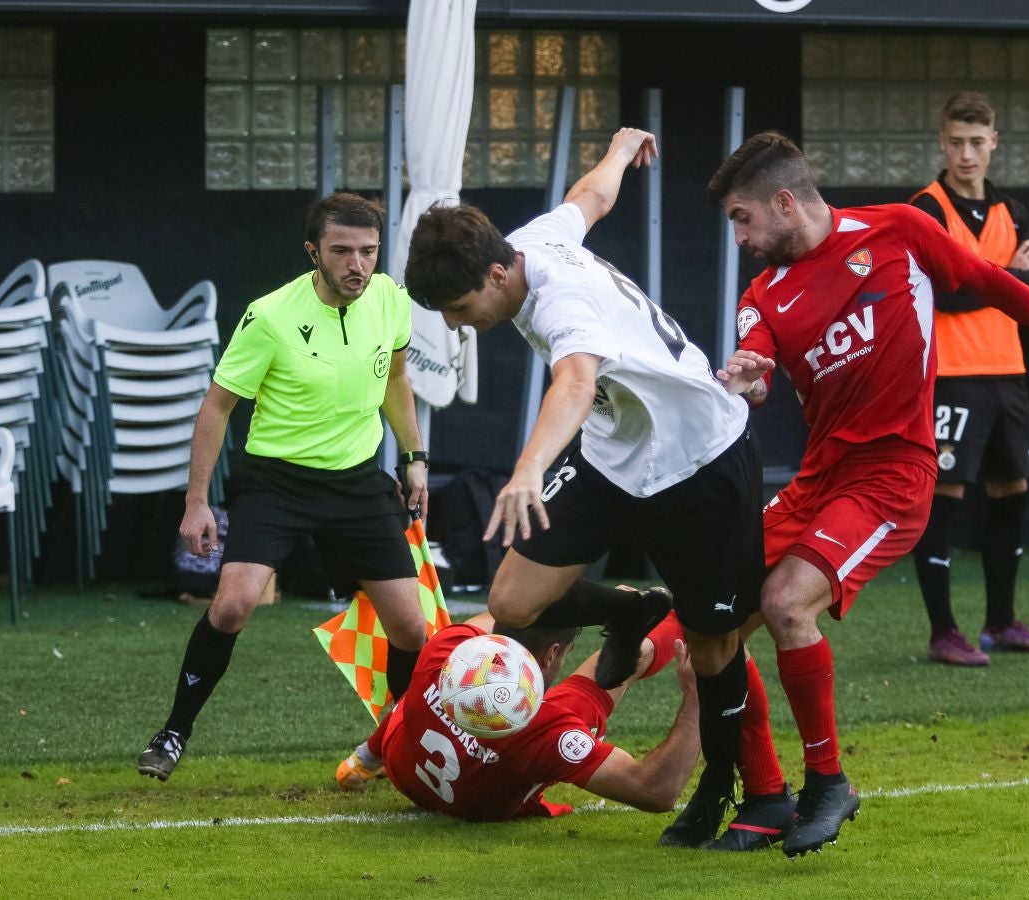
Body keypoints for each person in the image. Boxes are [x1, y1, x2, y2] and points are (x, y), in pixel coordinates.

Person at [709, 132, 1029, 856]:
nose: (739, 238)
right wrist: (748, 379)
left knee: (785, 604)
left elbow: (990, 282)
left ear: (785, 202)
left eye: (743, 218)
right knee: (704, 633)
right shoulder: (763, 294)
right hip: (817, 481)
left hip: (893, 475)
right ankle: (766, 797)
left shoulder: (897, 229)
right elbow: (758, 364)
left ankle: (827, 783)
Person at [403, 128, 792, 851]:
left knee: (711, 649)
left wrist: (528, 468)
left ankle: (724, 787)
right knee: (512, 602)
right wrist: (619, 150)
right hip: (617, 456)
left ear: (495, 275)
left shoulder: (563, 302)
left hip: (700, 459)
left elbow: (576, 382)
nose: (456, 325)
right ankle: (631, 610)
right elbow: (589, 198)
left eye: (456, 307)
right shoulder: (530, 241)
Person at [136, 193, 430, 781]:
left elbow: (395, 377)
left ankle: (396, 741)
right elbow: (217, 407)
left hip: (356, 481)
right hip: (277, 482)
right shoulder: (269, 315)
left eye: (368, 251)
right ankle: (173, 732)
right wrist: (196, 503)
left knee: (411, 628)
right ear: (312, 252)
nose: (357, 264)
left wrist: (414, 457)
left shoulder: (392, 300)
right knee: (233, 606)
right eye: (341, 251)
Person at [909, 91, 1029, 667]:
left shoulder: (1012, 213)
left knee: (1011, 491)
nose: (966, 154)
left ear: (994, 142)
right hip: (952, 375)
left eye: (977, 142)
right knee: (945, 497)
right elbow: (939, 292)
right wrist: (1006, 277)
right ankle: (943, 632)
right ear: (942, 142)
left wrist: (1002, 282)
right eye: (956, 142)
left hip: (1008, 373)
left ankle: (1001, 622)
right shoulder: (926, 210)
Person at [335, 610, 701, 821]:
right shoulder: (550, 730)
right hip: (474, 805)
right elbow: (655, 791)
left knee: (422, 692)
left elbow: (507, 607)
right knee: (627, 657)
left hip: (404, 770)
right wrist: (697, 697)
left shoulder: (448, 646)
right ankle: (687, 615)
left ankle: (366, 756)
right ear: (552, 654)